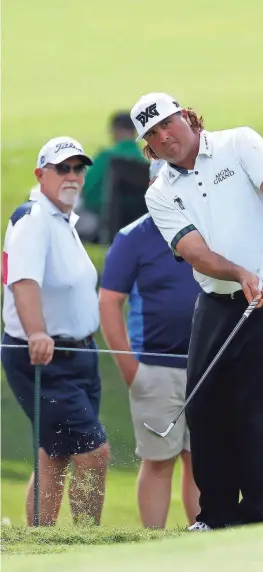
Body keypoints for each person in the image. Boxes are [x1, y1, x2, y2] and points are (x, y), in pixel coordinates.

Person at [129, 92, 263, 531]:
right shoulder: (160, 192)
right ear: (147, 145)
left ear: (186, 116)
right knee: (204, 407)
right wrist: (241, 273)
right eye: (152, 134)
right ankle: (216, 517)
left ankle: (258, 518)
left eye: (168, 123)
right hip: (216, 301)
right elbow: (195, 251)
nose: (164, 136)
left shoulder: (239, 142)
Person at [1, 136, 110, 526]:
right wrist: (36, 333)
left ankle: (41, 544)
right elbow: (22, 281)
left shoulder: (63, 220)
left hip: (79, 355)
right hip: (44, 357)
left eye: (78, 169)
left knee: (57, 452)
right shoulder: (33, 220)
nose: (72, 176)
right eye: (62, 168)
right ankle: (85, 541)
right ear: (40, 174)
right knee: (92, 454)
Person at [99, 212, 200, 529]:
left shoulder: (211, 226)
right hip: (155, 369)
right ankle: (153, 547)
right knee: (158, 461)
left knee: (203, 462)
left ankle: (207, 544)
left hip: (209, 368)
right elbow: (109, 302)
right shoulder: (134, 236)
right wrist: (130, 368)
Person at [75, 112, 147, 242]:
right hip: (132, 222)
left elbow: (85, 187)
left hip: (99, 220)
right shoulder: (144, 163)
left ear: (115, 130)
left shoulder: (107, 157)